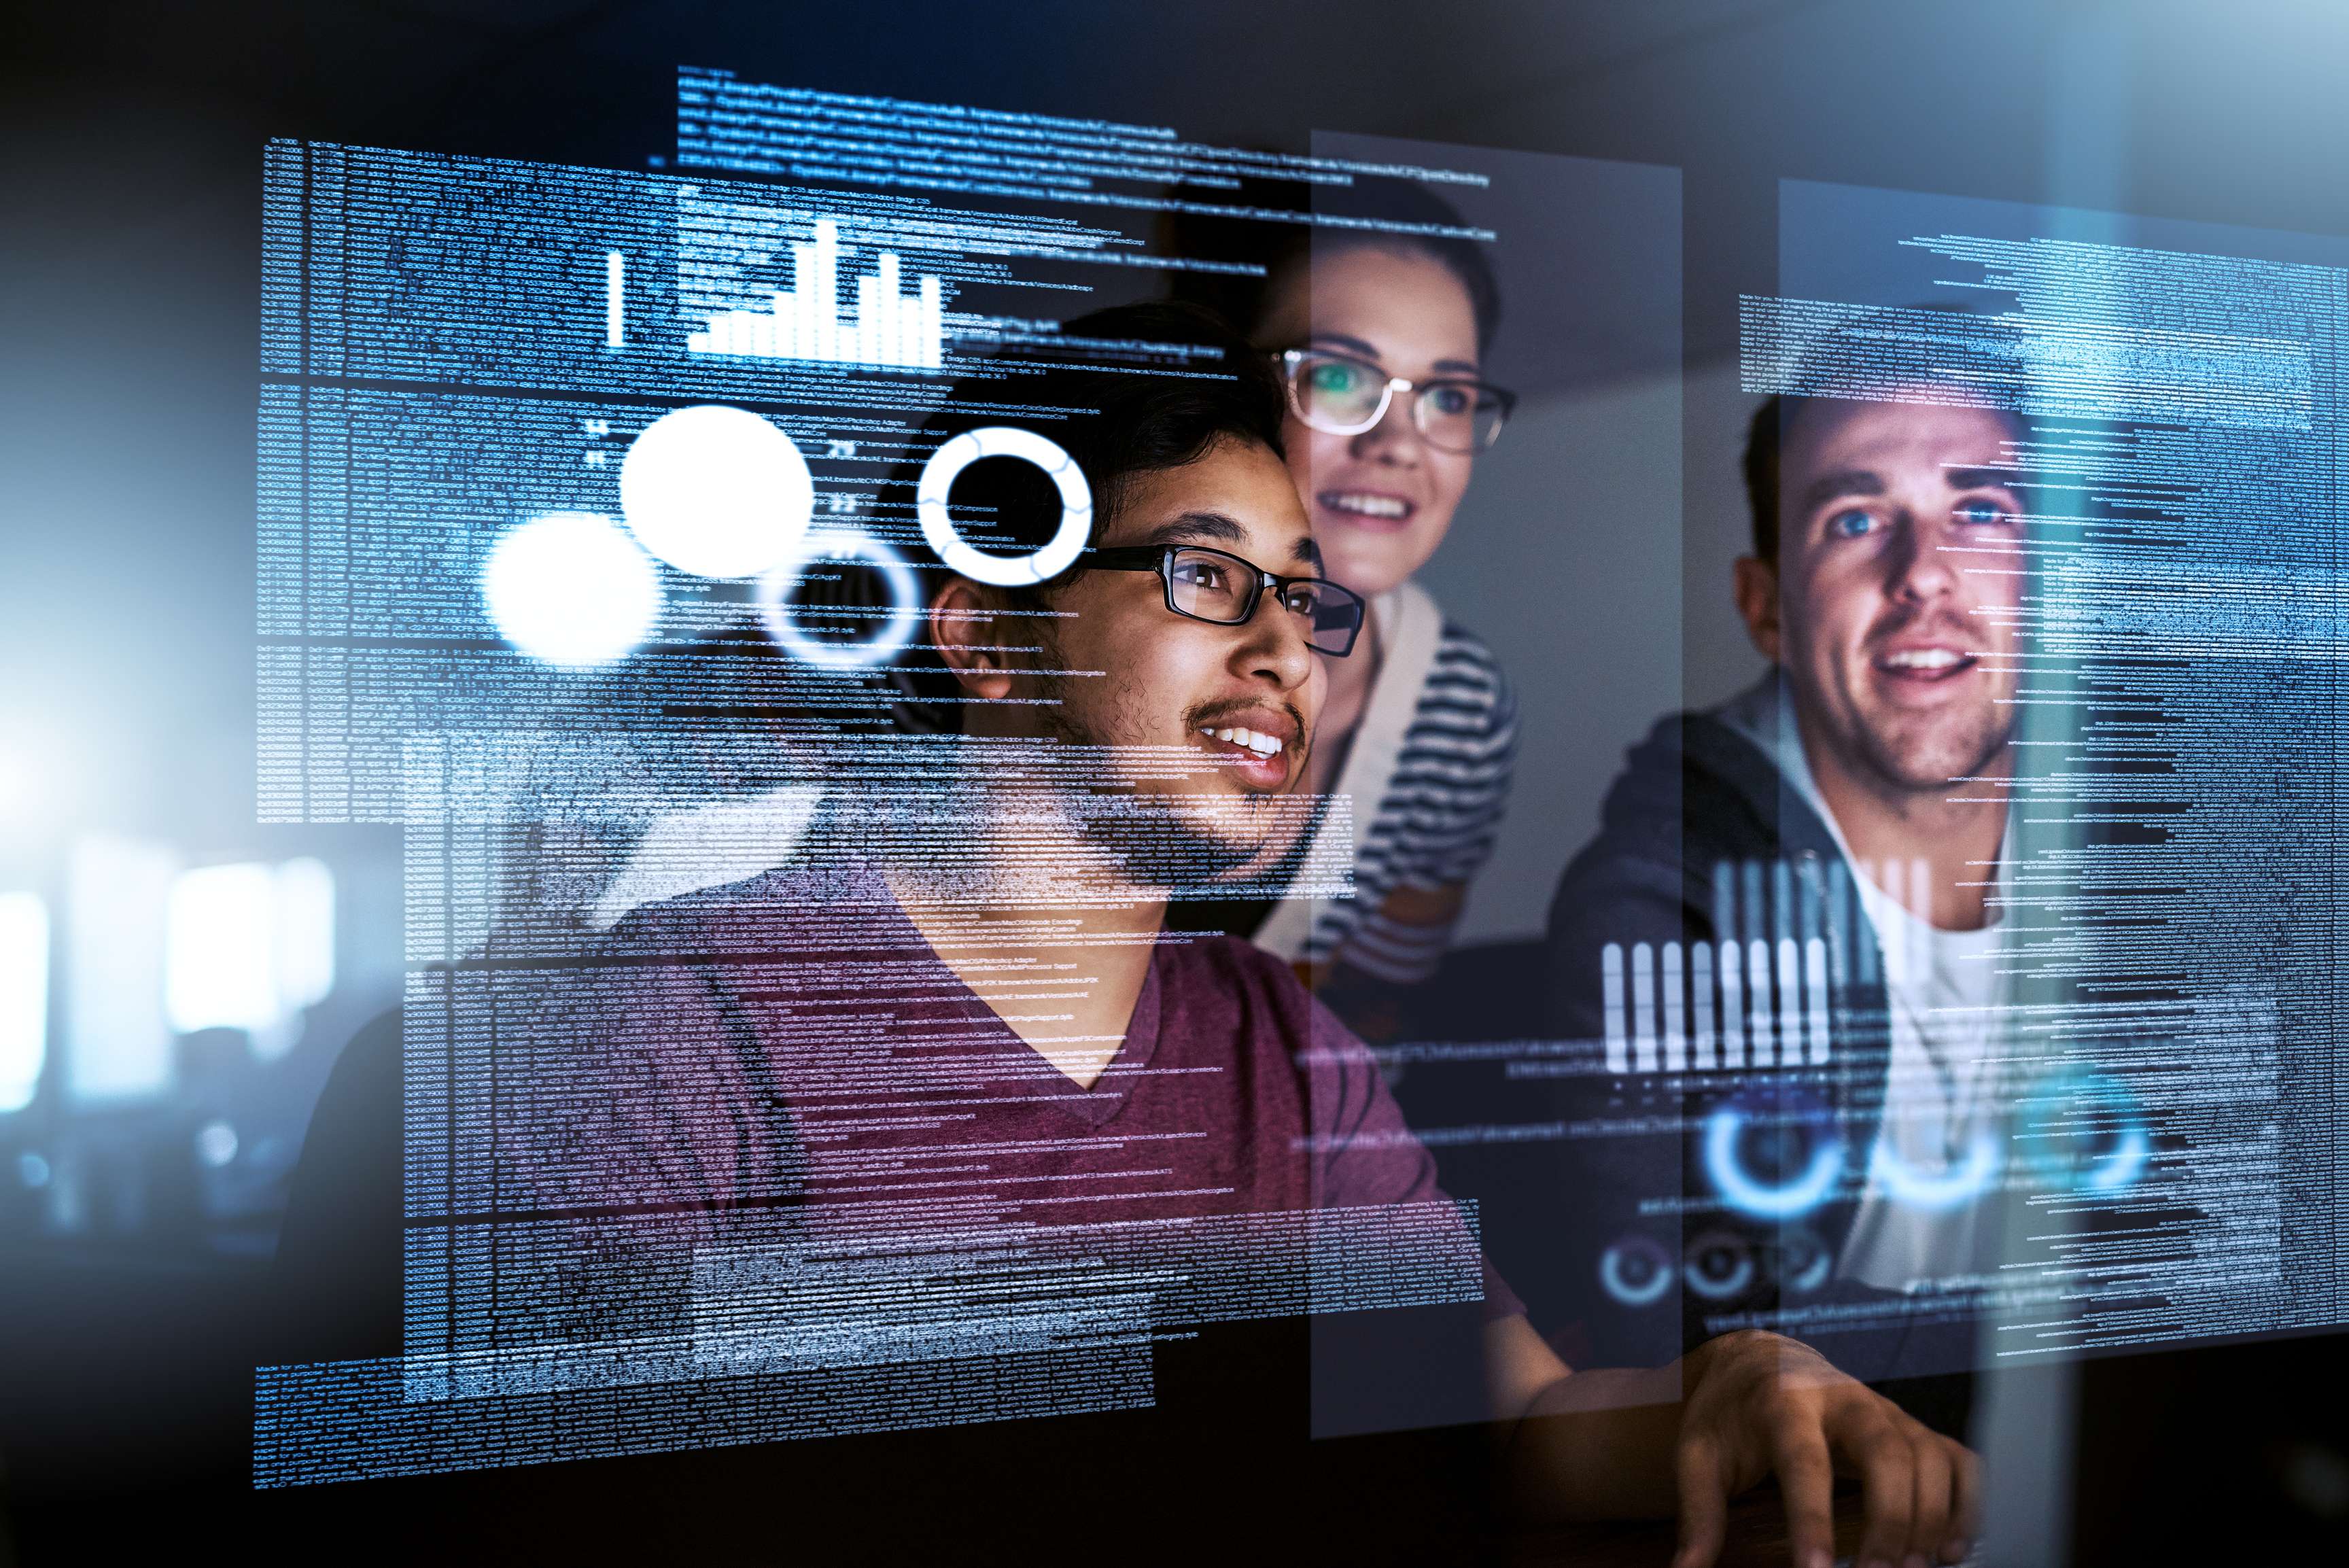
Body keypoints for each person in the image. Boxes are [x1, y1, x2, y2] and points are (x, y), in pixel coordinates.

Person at [490, 304, 1979, 1568]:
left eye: (1304, 600)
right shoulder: (675, 1021)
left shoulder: (1278, 1034)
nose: (1286, 653)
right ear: (991, 634)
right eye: (1206, 576)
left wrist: (1723, 1393)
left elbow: (1505, 1414)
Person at [1539, 352, 2029, 1404]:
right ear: (1765, 608)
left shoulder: (2178, 856)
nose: (1925, 573)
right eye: (1854, 519)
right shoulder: (1655, 906)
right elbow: (1690, 1333)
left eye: (1982, 510)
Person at [1166, 184, 1518, 1032]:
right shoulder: (1073, 630)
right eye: (1336, 376)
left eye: (1449, 398)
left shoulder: (1457, 707)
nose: (1398, 444)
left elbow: (1372, 1015)